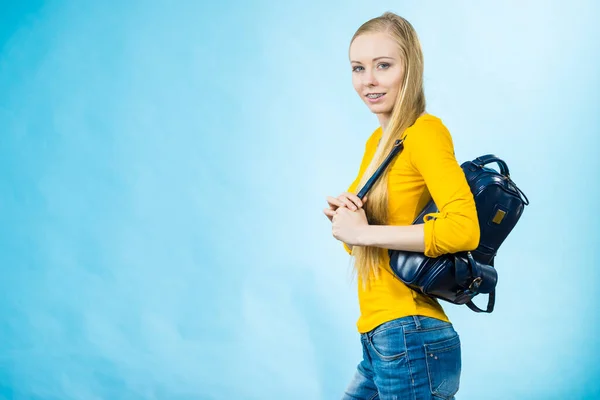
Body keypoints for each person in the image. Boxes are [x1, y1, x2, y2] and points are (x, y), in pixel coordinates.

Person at [322, 12, 480, 400]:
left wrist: (363, 231)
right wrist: (347, 221)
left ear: (410, 69)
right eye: (358, 68)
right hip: (381, 337)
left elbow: (464, 228)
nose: (368, 80)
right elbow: (363, 245)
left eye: (383, 66)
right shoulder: (377, 145)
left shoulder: (425, 132)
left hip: (409, 335)